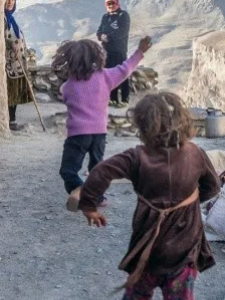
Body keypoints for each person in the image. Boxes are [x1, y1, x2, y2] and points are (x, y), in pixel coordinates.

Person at [75, 92, 222, 300]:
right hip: (184, 252)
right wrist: (190, 202)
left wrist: (90, 206)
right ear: (182, 121)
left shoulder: (136, 157)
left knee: (137, 295)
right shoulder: (195, 154)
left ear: (142, 126)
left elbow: (100, 172)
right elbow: (212, 186)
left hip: (147, 251)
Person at [55, 35, 152, 209]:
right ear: (96, 57)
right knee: (96, 168)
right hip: (99, 133)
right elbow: (126, 68)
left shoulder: (68, 86)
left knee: (68, 170)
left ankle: (79, 190)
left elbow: (65, 96)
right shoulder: (105, 76)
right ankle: (98, 198)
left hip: (77, 134)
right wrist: (140, 51)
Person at [4, 0, 32, 131]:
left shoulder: (11, 18)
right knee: (11, 92)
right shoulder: (2, 18)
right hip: (9, 64)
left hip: (16, 63)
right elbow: (2, 37)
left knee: (14, 92)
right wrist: (10, 45)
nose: (10, 2)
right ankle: (10, 121)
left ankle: (12, 120)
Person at [96, 0, 132, 108]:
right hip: (106, 52)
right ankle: (113, 99)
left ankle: (125, 99)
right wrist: (101, 36)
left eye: (113, 3)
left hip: (119, 50)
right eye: (108, 4)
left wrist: (108, 37)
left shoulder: (123, 16)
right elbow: (98, 32)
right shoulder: (105, 17)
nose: (111, 6)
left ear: (117, 3)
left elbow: (122, 32)